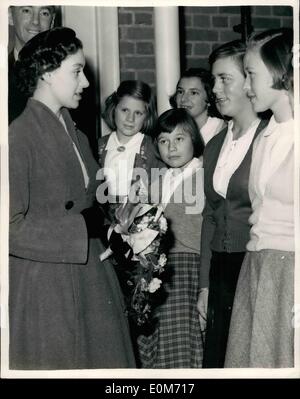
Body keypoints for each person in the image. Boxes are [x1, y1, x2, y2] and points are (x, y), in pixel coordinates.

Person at [9, 27, 136, 370]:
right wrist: (81, 226)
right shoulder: (18, 137)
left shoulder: (75, 132)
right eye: (76, 72)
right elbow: (9, 228)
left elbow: (92, 202)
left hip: (90, 277)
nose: (85, 84)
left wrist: (113, 231)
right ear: (47, 73)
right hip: (47, 290)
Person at [225, 28, 294, 368]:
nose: (246, 87)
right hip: (256, 268)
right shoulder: (265, 136)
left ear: (280, 72)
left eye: (251, 75)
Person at [197, 40, 269, 368]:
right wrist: (205, 285)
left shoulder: (272, 137)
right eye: (214, 80)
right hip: (222, 271)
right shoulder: (213, 145)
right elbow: (210, 217)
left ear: (250, 80)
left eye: (225, 79)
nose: (215, 89)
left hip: (257, 265)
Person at [137, 108, 205, 368]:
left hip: (187, 269)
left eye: (179, 139)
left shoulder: (203, 176)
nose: (171, 147)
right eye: (164, 141)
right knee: (152, 343)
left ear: (193, 140)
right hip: (156, 271)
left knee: (180, 348)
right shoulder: (157, 180)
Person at [8, 5, 57, 123]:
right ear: (10, 16)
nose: (35, 21)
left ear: (52, 20)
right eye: (26, 11)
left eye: (44, 13)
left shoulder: (69, 74)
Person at [169, 68, 226, 145]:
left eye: (193, 93)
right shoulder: (173, 129)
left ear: (209, 98)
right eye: (180, 92)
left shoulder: (221, 131)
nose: (183, 99)